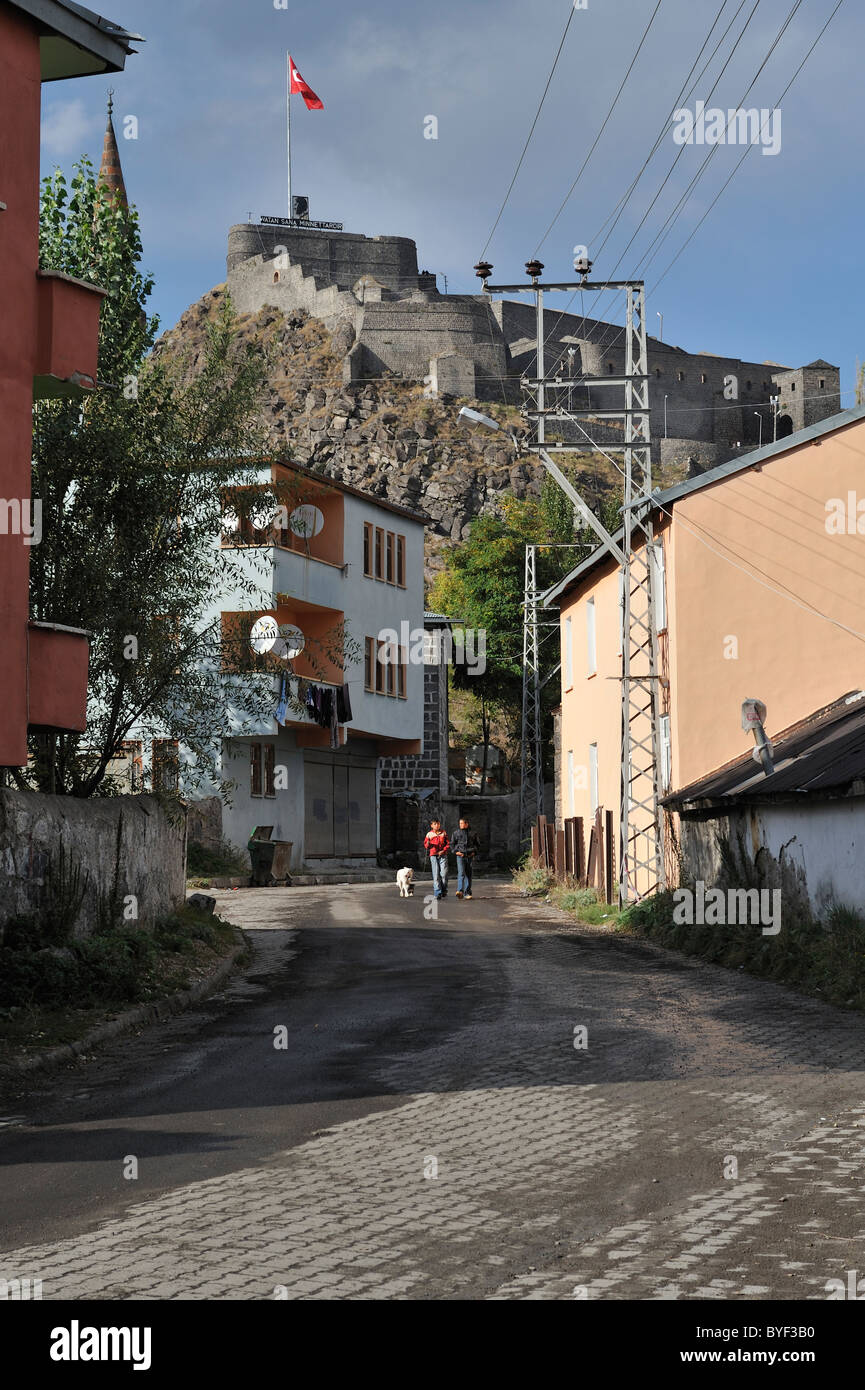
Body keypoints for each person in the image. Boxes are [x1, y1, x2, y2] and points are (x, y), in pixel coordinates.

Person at [451, 817, 480, 899]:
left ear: (466, 824)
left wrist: (474, 852)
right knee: (461, 873)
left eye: (462, 823)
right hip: (460, 856)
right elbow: (452, 844)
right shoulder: (456, 833)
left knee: (469, 874)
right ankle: (460, 891)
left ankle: (467, 893)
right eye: (459, 823)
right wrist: (455, 852)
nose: (460, 825)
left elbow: (477, 845)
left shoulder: (473, 833)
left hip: (470, 856)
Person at [424, 817, 450, 899]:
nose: (437, 825)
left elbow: (448, 844)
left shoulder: (443, 833)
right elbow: (426, 846)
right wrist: (428, 844)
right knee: (436, 874)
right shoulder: (429, 834)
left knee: (444, 874)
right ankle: (437, 892)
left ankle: (444, 890)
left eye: (438, 824)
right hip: (433, 855)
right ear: (431, 825)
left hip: (443, 854)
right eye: (435, 824)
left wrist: (443, 850)